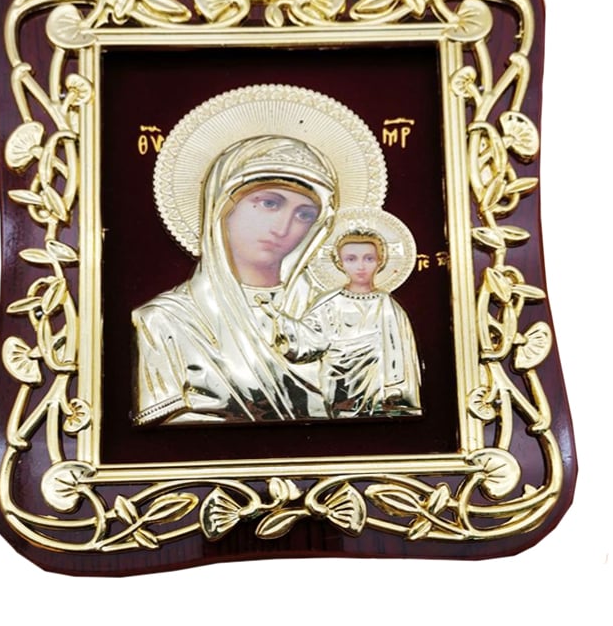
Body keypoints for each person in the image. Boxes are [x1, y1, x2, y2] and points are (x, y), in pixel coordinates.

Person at [131, 135, 337, 426]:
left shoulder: (332, 313)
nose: (283, 228)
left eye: (304, 214)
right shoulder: (166, 321)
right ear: (223, 206)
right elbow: (163, 435)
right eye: (269, 203)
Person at [291, 229, 422, 417]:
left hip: (379, 390)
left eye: (369, 259)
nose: (361, 266)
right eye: (351, 259)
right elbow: (308, 341)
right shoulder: (328, 303)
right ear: (340, 263)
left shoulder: (389, 307)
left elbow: (402, 357)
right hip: (337, 385)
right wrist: (280, 323)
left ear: (380, 261)